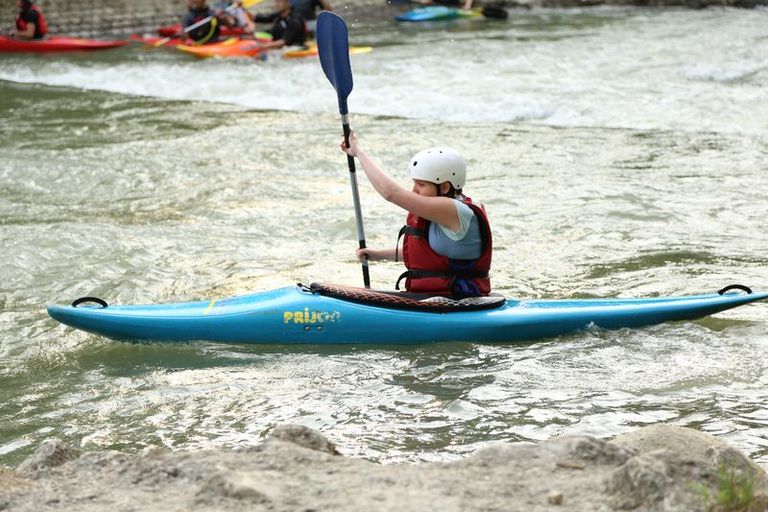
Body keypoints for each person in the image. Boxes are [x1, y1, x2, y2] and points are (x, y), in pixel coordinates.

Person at [340, 133, 492, 297]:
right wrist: (377, 255)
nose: (414, 190)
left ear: (445, 188)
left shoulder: (453, 210)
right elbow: (426, 254)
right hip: (436, 299)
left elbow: (391, 193)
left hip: (458, 301)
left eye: (421, 184)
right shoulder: (443, 213)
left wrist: (359, 153)